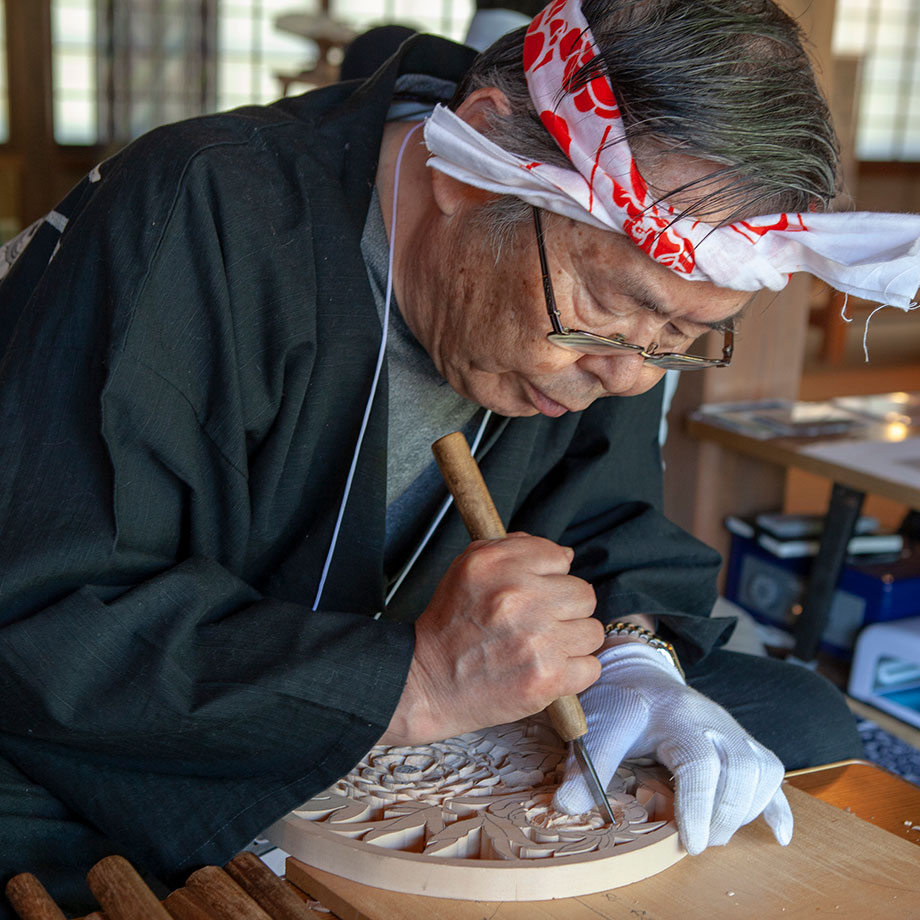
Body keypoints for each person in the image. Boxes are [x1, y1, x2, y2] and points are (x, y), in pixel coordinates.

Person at [2, 0, 918, 914]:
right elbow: (49, 604)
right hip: (189, 708)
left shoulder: (615, 341)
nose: (632, 379)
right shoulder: (198, 205)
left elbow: (609, 524)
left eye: (684, 335)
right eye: (607, 304)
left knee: (793, 718)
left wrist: (640, 665)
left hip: (458, 700)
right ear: (472, 170)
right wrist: (417, 679)